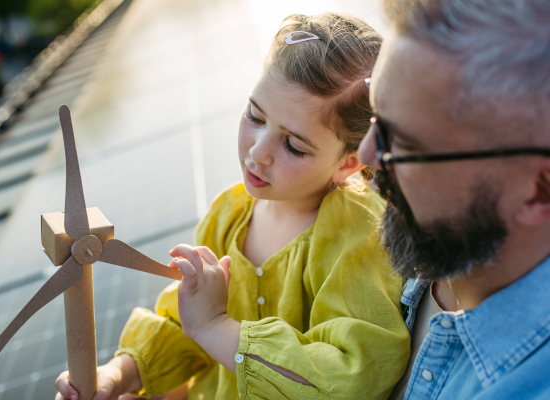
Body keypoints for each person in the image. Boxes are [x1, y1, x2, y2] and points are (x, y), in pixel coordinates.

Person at [56, 12, 411, 400]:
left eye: (294, 146)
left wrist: (215, 326)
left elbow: (352, 376)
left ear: (347, 163)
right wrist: (117, 376)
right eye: (255, 116)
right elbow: (184, 326)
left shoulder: (359, 235)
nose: (258, 153)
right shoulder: (228, 213)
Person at [357, 0, 550, 398]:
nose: (364, 156)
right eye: (375, 117)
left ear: (538, 191)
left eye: (404, 143)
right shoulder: (423, 233)